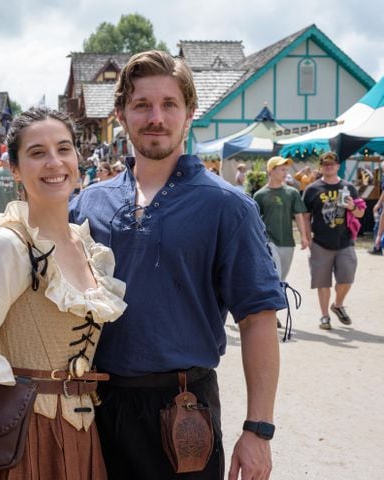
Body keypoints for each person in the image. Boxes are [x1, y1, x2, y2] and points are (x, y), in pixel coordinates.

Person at [69, 50, 286, 479]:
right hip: (92, 411)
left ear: (189, 113)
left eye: (169, 104)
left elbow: (258, 319)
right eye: (142, 105)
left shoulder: (228, 206)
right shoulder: (88, 204)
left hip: (184, 414)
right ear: (121, 114)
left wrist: (258, 430)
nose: (156, 117)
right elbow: (40, 263)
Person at [0, 107, 126, 480]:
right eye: (37, 152)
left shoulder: (87, 247)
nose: (54, 162)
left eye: (64, 149)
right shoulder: (10, 246)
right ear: (14, 169)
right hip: (20, 438)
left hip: (82, 435)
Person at [302, 151, 365, 330]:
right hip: (320, 242)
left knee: (347, 277)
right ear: (321, 167)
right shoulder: (312, 189)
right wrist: (307, 237)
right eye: (325, 164)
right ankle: (324, 316)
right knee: (322, 282)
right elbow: (306, 216)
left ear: (338, 166)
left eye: (332, 163)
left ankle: (337, 305)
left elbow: (360, 213)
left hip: (345, 241)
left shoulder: (348, 187)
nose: (329, 166)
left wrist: (352, 206)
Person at [253, 156, 309, 281]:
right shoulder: (259, 195)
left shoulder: (292, 192)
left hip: (287, 242)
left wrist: (304, 236)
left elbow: (298, 215)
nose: (286, 173)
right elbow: (255, 221)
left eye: (286, 170)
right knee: (275, 275)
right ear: (271, 171)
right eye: (282, 169)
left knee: (282, 279)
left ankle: (279, 299)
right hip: (268, 240)